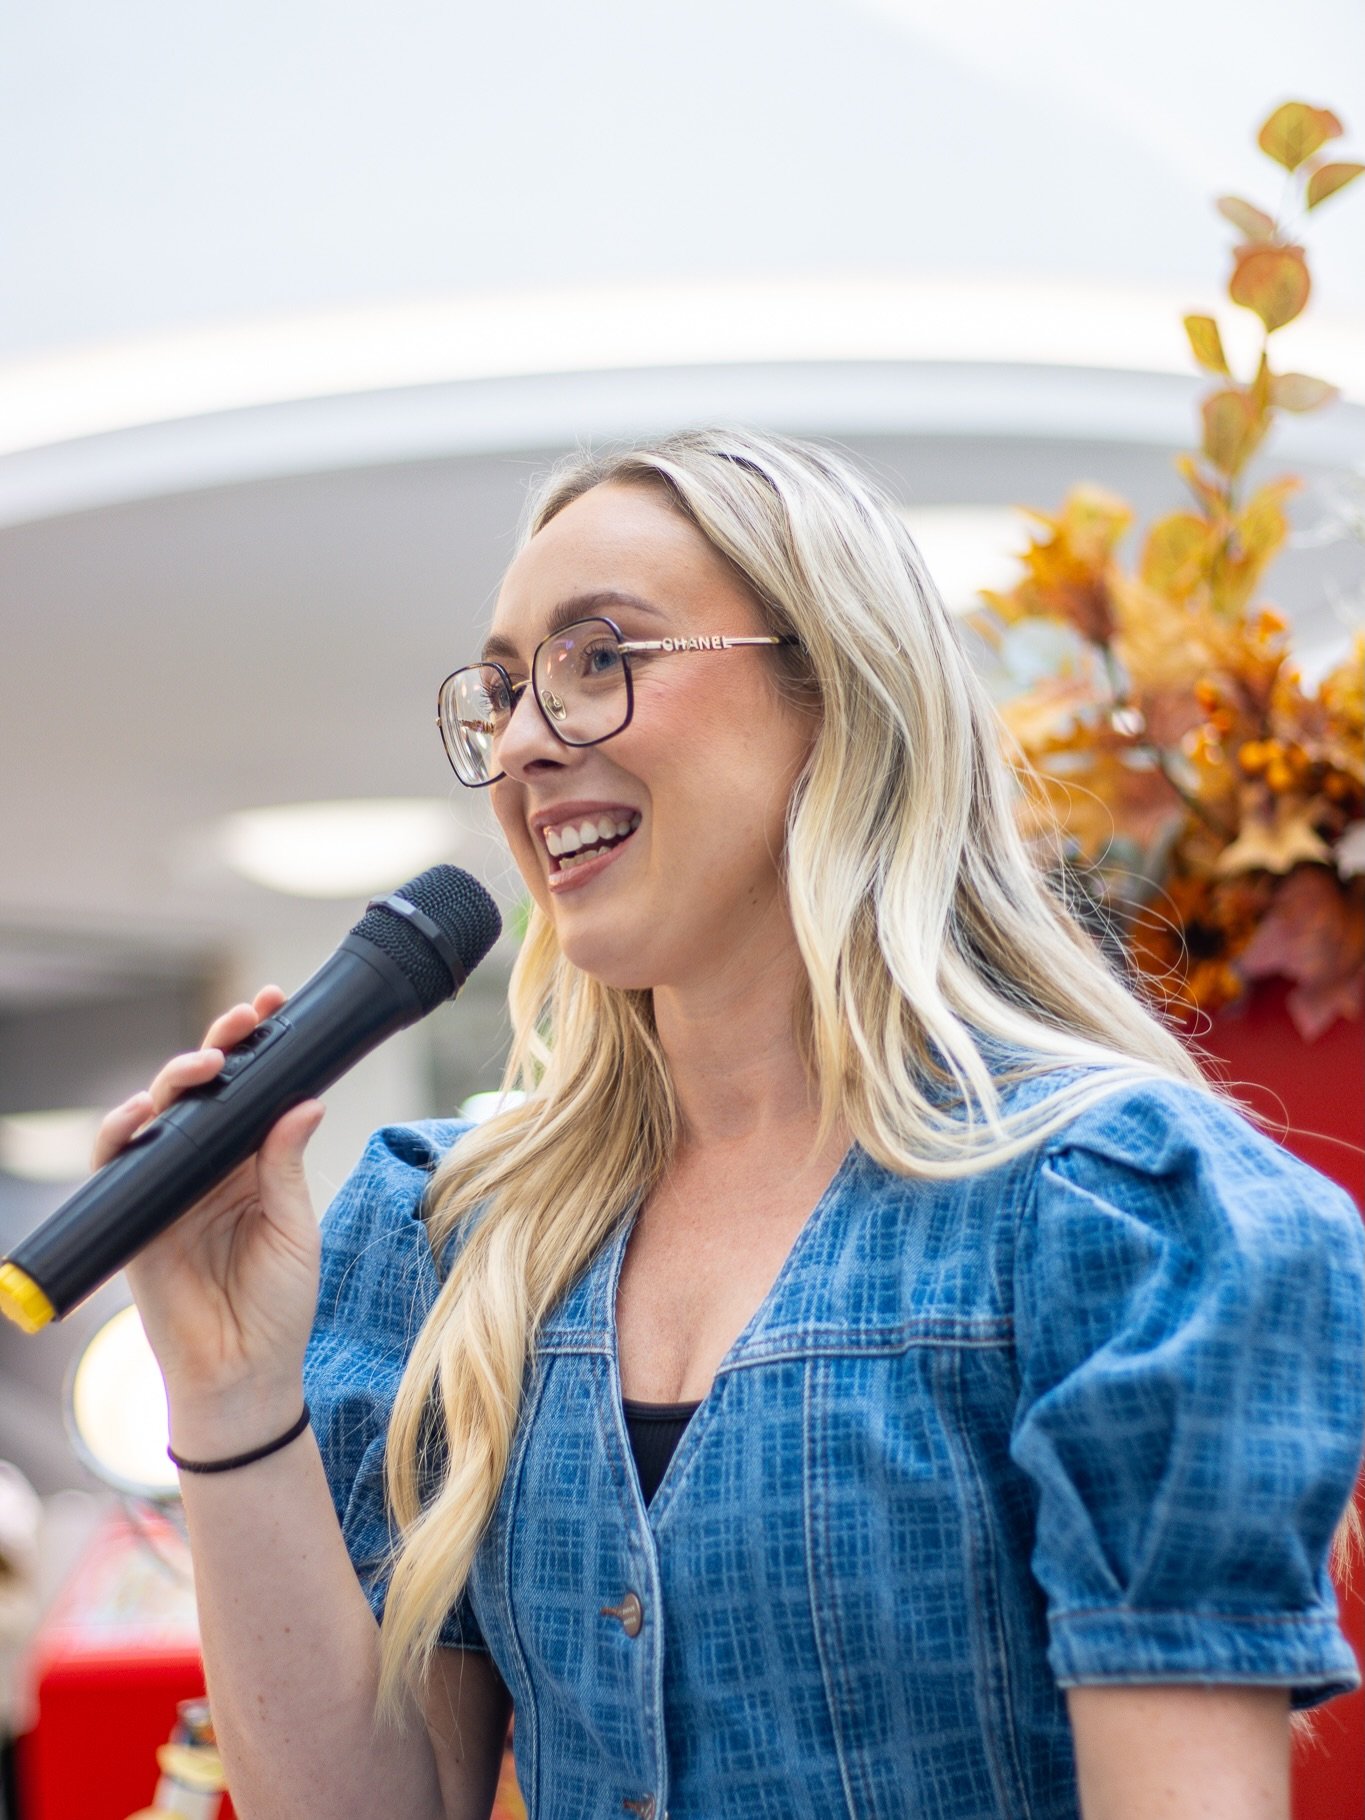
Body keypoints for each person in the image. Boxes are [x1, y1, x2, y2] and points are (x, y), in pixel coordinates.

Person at [99, 428, 1364, 1820]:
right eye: (508, 690)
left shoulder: (1112, 1214)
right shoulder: (455, 1232)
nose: (523, 741)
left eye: (598, 659)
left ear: (832, 694)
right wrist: (226, 1384)